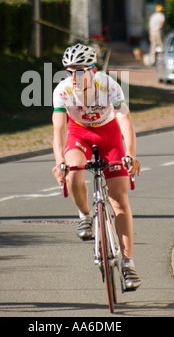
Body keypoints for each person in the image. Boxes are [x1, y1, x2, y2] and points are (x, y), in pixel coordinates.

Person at [52, 43, 141, 291]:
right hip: (78, 135)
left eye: (79, 70)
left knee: (119, 199)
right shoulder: (63, 90)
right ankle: (84, 215)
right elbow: (58, 130)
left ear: (92, 69)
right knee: (73, 173)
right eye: (69, 71)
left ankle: (128, 263)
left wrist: (131, 154)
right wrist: (59, 161)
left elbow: (125, 121)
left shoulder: (109, 85)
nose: (73, 76)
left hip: (109, 135)